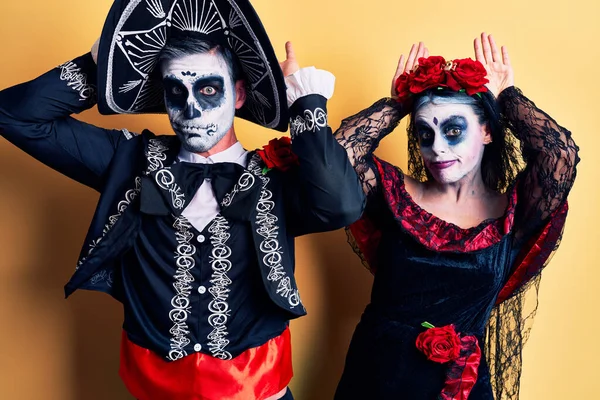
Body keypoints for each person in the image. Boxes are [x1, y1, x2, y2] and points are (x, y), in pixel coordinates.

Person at [0, 1, 365, 399]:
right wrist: (101, 59)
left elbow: (342, 205)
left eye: (208, 89)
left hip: (259, 392)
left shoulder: (274, 178)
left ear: (239, 94)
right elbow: (16, 116)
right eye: (177, 91)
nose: (190, 108)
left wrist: (303, 103)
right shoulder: (129, 161)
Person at [332, 34, 579, 399]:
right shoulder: (392, 194)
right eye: (424, 133)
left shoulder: (515, 212)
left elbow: (560, 155)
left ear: (486, 131)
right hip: (376, 378)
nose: (437, 148)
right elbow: (339, 155)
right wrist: (401, 101)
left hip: (458, 386)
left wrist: (506, 97)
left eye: (453, 130)